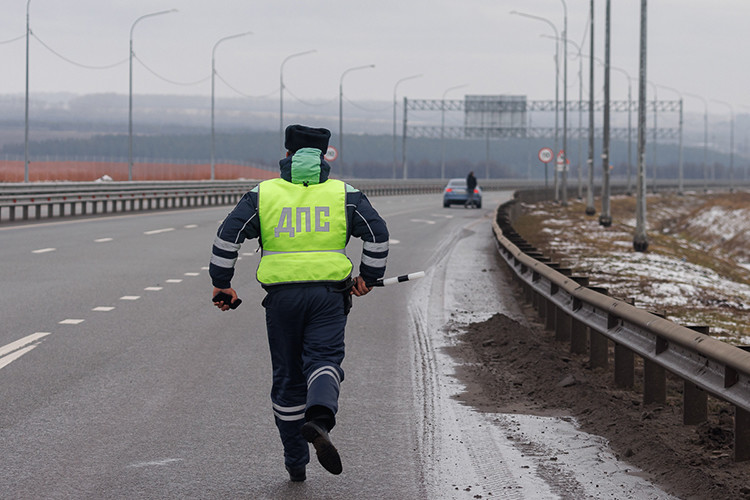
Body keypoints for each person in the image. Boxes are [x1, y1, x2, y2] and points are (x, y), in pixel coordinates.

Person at [209, 124, 389, 482]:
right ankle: (320, 420)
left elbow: (228, 236)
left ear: (287, 154)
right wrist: (368, 276)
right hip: (329, 296)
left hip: (282, 298)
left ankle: (296, 462)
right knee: (324, 361)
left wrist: (222, 284)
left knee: (288, 379)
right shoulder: (345, 194)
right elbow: (378, 234)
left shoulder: (263, 194)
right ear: (324, 156)